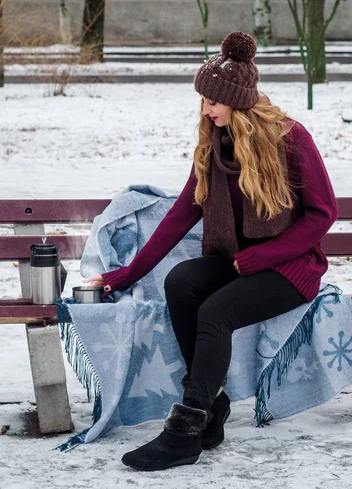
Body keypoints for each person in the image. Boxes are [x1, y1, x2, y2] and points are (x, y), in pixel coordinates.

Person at [85, 31, 338, 472]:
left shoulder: (290, 138)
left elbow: (323, 214)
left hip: (291, 268)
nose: (206, 109)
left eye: (213, 101)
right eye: (203, 100)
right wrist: (124, 274)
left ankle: (184, 433)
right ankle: (211, 407)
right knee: (180, 281)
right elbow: (182, 214)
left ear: (237, 102)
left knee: (215, 311)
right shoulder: (212, 146)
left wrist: (265, 256)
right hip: (237, 263)